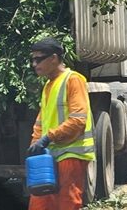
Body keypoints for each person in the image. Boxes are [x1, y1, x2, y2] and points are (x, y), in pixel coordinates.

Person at [26, 37, 95, 210]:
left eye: (38, 59)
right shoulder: (49, 85)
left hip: (70, 153)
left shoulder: (73, 80)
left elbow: (78, 120)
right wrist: (35, 143)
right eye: (32, 60)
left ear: (54, 58)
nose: (34, 64)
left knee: (67, 202)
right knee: (39, 203)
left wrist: (48, 137)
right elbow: (41, 120)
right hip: (50, 155)